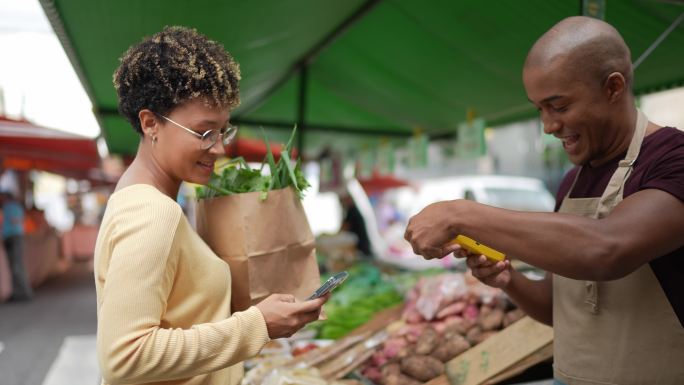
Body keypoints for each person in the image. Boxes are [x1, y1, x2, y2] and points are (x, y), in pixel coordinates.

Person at [404, 16, 684, 385]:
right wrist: (508, 280)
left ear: (613, 87)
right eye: (539, 109)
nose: (548, 126)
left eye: (559, 106)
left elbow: (607, 248)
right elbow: (557, 309)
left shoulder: (672, 158)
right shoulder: (571, 183)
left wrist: (460, 213)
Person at [95, 26, 328, 385]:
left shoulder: (142, 200)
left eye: (223, 132)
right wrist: (256, 325)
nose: (219, 148)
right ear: (150, 123)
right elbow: (125, 357)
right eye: (205, 133)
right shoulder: (152, 213)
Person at [1, 191, 32, 301]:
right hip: (13, 238)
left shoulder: (10, 207)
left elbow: (16, 220)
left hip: (13, 238)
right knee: (14, 267)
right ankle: (17, 293)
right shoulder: (12, 207)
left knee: (17, 267)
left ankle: (24, 292)